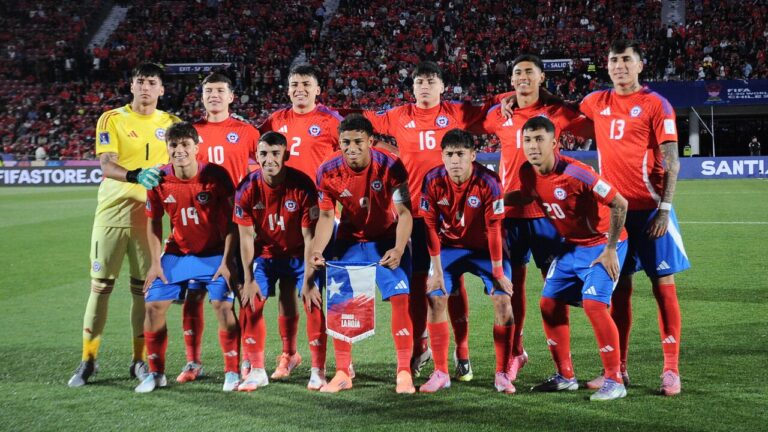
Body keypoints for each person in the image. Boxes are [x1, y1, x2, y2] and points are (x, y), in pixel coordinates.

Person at [364, 61, 501, 381]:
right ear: (412, 88)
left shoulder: (457, 112)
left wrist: (506, 98)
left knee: (453, 283)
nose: (424, 86)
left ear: (442, 86)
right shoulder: (398, 115)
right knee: (417, 285)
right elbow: (362, 119)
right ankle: (420, 346)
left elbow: (489, 111)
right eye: (419, 82)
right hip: (415, 215)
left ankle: (462, 353)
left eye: (431, 81)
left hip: (453, 213)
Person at [470, 54, 593, 382]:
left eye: (529, 72)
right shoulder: (500, 114)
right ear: (511, 80)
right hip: (509, 213)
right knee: (513, 288)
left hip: (549, 213)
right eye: (517, 73)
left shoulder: (556, 112)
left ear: (541, 78)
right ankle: (516, 353)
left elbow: (592, 124)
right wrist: (503, 99)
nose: (523, 77)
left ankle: (564, 368)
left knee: (556, 289)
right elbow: (474, 118)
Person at [579, 40, 690, 396]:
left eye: (626, 60)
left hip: (652, 211)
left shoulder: (656, 104)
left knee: (663, 286)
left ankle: (671, 370)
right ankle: (618, 369)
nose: (619, 66)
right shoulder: (596, 101)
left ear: (640, 65)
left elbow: (672, 161)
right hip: (616, 213)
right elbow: (558, 108)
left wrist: (665, 209)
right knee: (619, 290)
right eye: (613, 60)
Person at [69, 63, 181, 387]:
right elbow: (106, 164)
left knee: (143, 291)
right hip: (112, 213)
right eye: (140, 81)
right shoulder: (112, 118)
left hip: (149, 218)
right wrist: (135, 175)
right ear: (132, 86)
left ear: (161, 89)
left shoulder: (173, 124)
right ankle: (88, 359)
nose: (146, 87)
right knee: (100, 288)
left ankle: (139, 361)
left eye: (152, 82)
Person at [510, 116, 629, 402]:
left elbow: (619, 203)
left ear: (554, 143)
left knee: (594, 305)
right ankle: (565, 376)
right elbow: (526, 196)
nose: (533, 146)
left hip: (602, 246)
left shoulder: (579, 173)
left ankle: (615, 380)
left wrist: (610, 248)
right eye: (528, 140)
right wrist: (497, 202)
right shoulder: (527, 172)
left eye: (539, 139)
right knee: (549, 303)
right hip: (572, 247)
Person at [309, 114, 415, 394]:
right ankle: (343, 372)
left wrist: (399, 248)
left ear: (371, 141)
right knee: (341, 302)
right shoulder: (327, 171)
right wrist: (317, 249)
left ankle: (404, 371)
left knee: (401, 298)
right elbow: (326, 216)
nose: (351, 147)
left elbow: (405, 213)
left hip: (387, 240)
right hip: (349, 241)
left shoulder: (390, 165)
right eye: (346, 142)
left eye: (358, 141)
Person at [136, 122, 240, 393]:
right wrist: (155, 263)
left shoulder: (216, 175)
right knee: (153, 306)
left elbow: (234, 221)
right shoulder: (158, 179)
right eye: (173, 145)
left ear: (196, 147)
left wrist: (228, 261)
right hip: (178, 253)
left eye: (185, 145)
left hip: (215, 252)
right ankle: (156, 373)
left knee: (223, 306)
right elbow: (153, 222)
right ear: (167, 148)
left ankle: (232, 371)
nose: (179, 150)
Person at [175, 72, 260, 385]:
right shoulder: (190, 132)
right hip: (199, 228)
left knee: (242, 293)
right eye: (208, 90)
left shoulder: (247, 131)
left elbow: (266, 167)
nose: (214, 95)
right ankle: (193, 361)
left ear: (231, 97)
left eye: (220, 90)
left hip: (238, 225)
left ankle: (248, 360)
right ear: (201, 96)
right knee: (193, 296)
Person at [259, 64, 342, 378]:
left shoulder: (330, 121)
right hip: (283, 218)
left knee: (321, 288)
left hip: (322, 217)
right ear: (288, 89)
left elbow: (353, 154)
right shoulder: (275, 121)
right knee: (287, 287)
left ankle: (333, 361)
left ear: (318, 90)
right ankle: (289, 354)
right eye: (295, 84)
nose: (300, 90)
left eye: (306, 84)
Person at [419, 129, 516, 394]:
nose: (455, 160)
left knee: (503, 300)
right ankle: (441, 372)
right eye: (449, 154)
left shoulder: (489, 182)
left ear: (473, 155)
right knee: (435, 297)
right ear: (442, 156)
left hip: (486, 250)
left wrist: (498, 272)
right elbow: (429, 227)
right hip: (449, 248)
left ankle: (502, 373)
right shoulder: (432, 180)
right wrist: (436, 271)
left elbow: (494, 229)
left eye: (460, 154)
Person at [233, 131, 327, 391]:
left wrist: (309, 281)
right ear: (256, 156)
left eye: (275, 153)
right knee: (251, 302)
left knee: (313, 302)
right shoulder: (246, 188)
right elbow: (245, 238)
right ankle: (257, 370)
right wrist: (248, 279)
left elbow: (310, 238)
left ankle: (318, 371)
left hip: (299, 255)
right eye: (263, 154)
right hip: (266, 255)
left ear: (286, 155)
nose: (269, 159)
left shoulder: (302, 185)